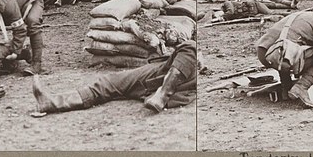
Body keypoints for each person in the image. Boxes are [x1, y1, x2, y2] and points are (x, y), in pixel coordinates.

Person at [31, 40, 198, 114]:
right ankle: (51, 103)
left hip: (159, 78)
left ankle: (163, 93)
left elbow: (189, 53)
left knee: (108, 83)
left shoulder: (190, 50)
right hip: (165, 80)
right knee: (109, 85)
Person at [255, 0, 313, 108]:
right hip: (279, 54)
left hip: (264, 53)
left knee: (289, 51)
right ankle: (301, 87)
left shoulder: (302, 15)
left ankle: (286, 90)